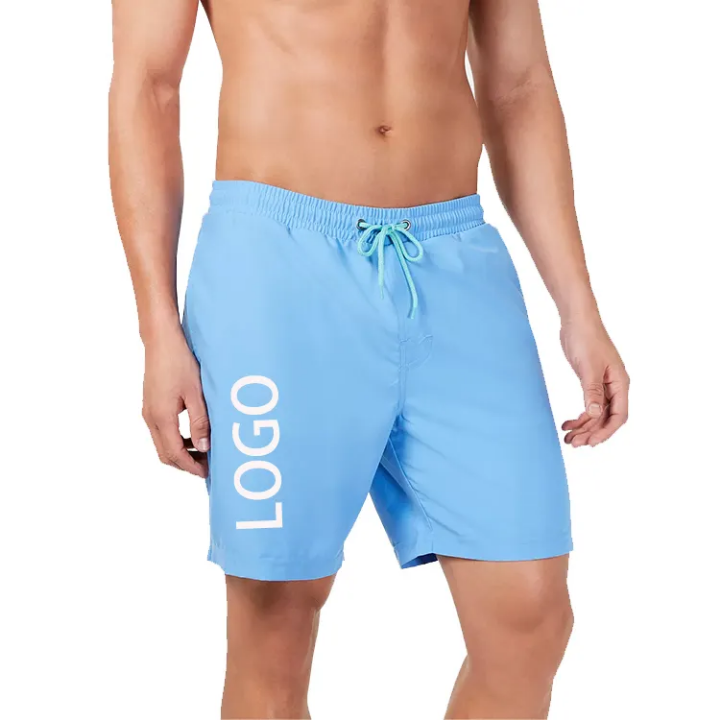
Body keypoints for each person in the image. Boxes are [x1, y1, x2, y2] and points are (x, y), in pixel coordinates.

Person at [109, 0, 629, 717]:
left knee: (530, 618)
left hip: (456, 259)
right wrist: (157, 328)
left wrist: (579, 309)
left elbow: (519, 86)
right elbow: (148, 86)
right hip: (275, 270)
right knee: (276, 615)